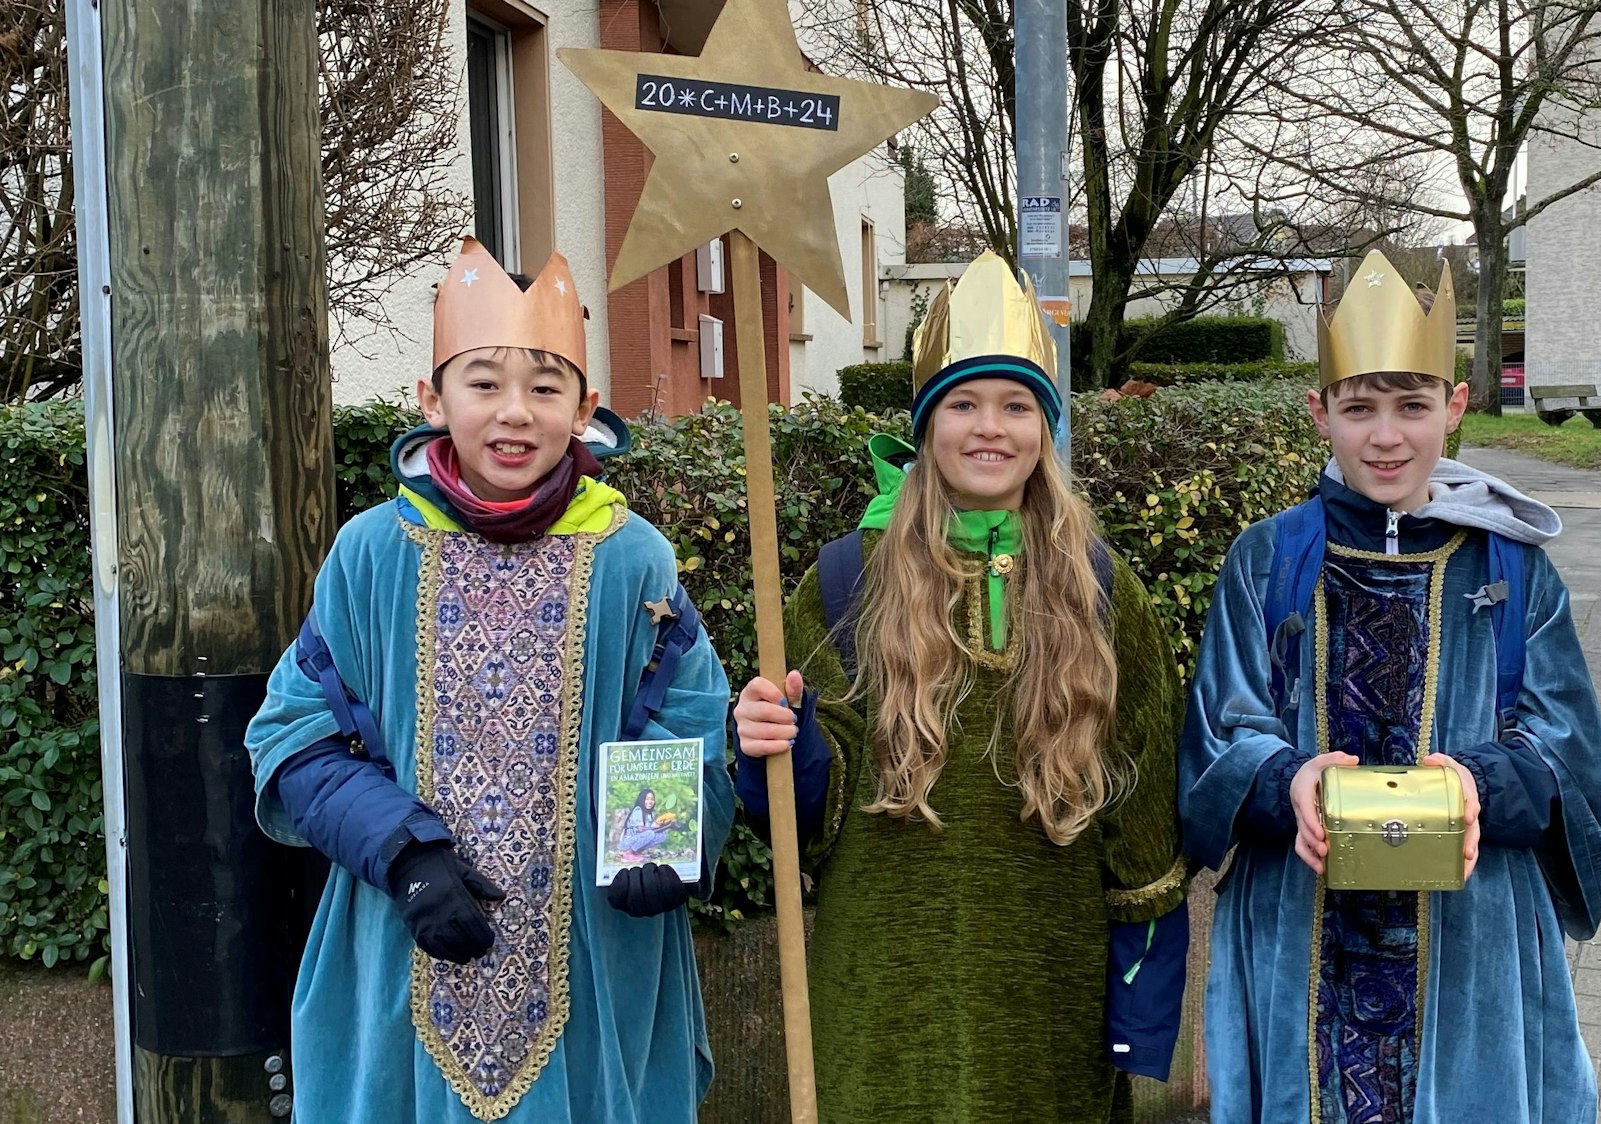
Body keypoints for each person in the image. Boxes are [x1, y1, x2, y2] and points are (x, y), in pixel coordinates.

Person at [245, 237, 734, 1123]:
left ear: (584, 408)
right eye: (483, 383)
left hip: (593, 959)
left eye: (545, 388)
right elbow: (297, 730)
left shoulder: (634, 558)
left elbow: (682, 711)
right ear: (432, 399)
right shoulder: (369, 554)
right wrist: (404, 854)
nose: (515, 412)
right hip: (400, 947)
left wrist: (659, 838)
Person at [732, 251, 1188, 1123]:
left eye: (1016, 405)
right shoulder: (845, 581)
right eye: (963, 404)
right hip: (882, 983)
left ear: (1044, 427)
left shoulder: (1102, 587)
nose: (990, 428)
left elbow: (1142, 822)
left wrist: (1138, 1014)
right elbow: (804, 817)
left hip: (1051, 985)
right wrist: (770, 746)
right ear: (925, 425)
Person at [1179, 250, 1601, 1123]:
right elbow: (1218, 734)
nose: (1385, 437)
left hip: (1470, 940)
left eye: (1412, 406)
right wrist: (1285, 779)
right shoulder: (1266, 558)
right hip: (1297, 925)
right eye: (1359, 409)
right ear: (1320, 413)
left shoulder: (1509, 567)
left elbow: (1569, 752)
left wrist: (1479, 781)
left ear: (1453, 408)